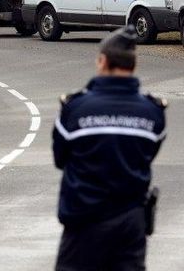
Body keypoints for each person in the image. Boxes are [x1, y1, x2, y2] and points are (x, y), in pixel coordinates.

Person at [53, 25, 166, 271]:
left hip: (84, 222)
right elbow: (149, 153)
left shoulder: (74, 109)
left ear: (102, 61)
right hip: (130, 225)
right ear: (134, 65)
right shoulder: (154, 113)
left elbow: (60, 158)